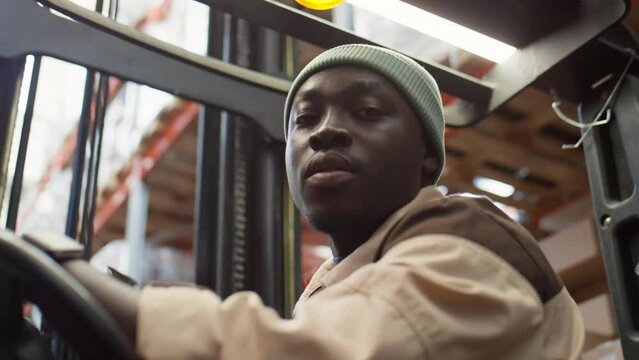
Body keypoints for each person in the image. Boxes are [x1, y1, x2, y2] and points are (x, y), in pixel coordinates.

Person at [61, 44, 584, 359]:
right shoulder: (334, 287)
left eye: (366, 111)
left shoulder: (468, 238)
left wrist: (70, 277)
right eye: (305, 120)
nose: (326, 131)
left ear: (427, 154)